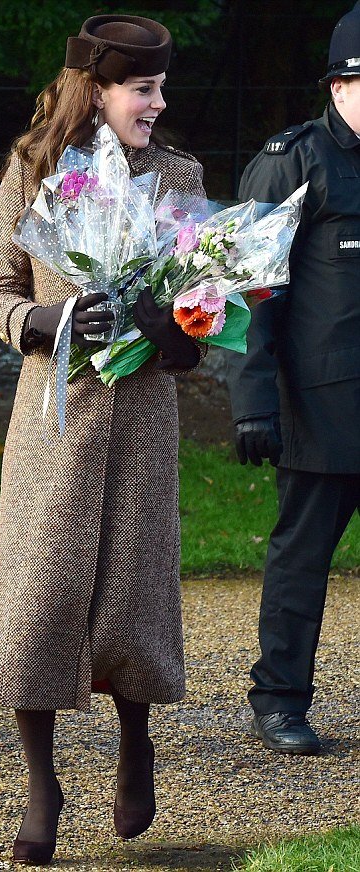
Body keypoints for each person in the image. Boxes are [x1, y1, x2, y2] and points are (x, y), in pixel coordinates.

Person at [0, 14, 205, 865]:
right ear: (98, 90)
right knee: (37, 603)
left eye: (160, 88)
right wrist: (45, 320)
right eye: (143, 89)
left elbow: (205, 304)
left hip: (142, 423)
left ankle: (135, 742)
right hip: (54, 423)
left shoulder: (177, 174)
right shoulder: (34, 168)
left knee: (132, 598)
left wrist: (174, 325)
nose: (158, 103)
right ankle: (41, 784)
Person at [225, 2, 360, 756]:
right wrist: (253, 404)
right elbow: (248, 288)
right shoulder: (294, 160)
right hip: (322, 406)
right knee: (301, 563)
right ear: (340, 86)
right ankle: (279, 701)